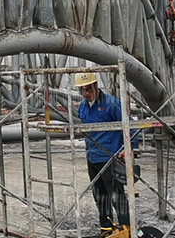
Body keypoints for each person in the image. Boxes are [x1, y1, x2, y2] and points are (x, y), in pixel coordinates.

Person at [75, 72, 136, 237]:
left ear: (96, 86)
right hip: (93, 157)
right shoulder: (82, 106)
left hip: (110, 157)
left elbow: (131, 126)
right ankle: (107, 228)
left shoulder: (111, 104)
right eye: (82, 91)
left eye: (88, 89)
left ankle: (127, 229)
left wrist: (128, 148)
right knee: (100, 195)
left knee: (116, 195)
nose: (86, 94)